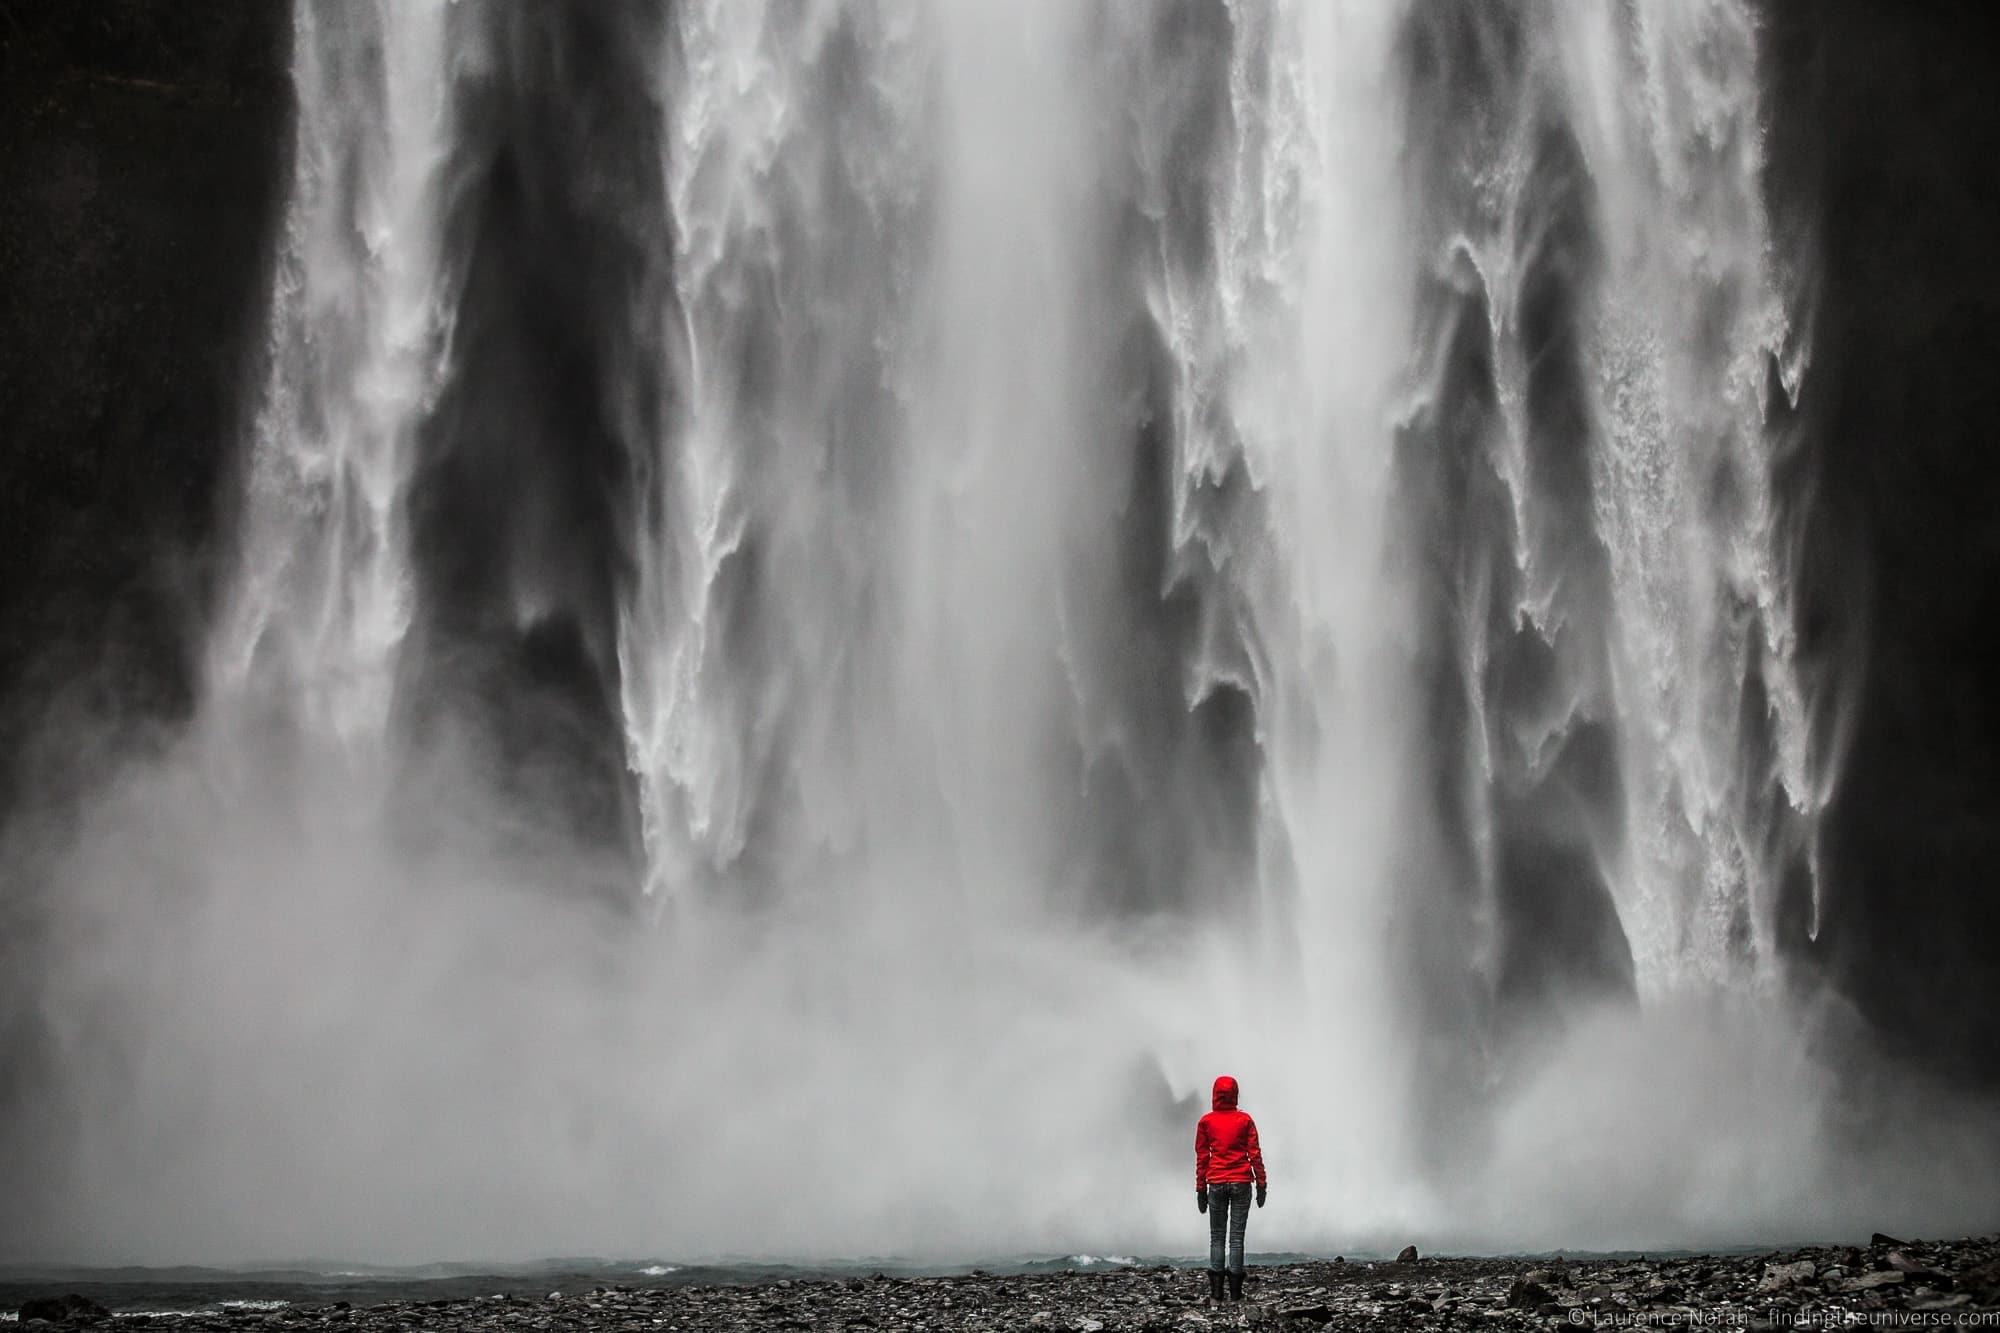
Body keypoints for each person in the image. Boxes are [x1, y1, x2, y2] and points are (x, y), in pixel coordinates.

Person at [1194, 1073, 1266, 1302]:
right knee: (1236, 1238)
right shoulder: (1245, 1121)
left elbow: (1202, 1157)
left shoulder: (1206, 1122)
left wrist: (1200, 1189)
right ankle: (1235, 1294)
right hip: (1242, 1182)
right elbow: (1254, 1154)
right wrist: (1262, 1183)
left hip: (1215, 1181)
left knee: (1216, 1237)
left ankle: (1216, 1293)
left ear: (1215, 1095)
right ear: (1235, 1094)